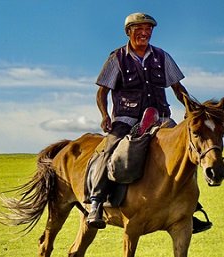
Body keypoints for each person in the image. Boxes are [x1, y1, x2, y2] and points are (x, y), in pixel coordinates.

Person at [86, 12, 213, 233]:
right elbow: (102, 92)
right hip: (127, 118)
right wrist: (105, 116)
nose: (144, 33)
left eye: (148, 29)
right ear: (129, 32)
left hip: (160, 117)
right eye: (139, 29)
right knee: (109, 150)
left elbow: (177, 88)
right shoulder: (117, 58)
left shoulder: (162, 57)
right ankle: (96, 203)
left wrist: (191, 108)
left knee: (186, 148)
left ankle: (189, 208)